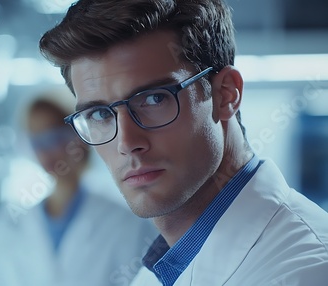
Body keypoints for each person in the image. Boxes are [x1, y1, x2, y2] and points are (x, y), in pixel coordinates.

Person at [38, 0, 328, 285]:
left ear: (226, 95)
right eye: (100, 113)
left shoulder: (305, 270)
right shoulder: (157, 271)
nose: (127, 143)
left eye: (154, 99)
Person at [0, 88, 158, 286]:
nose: (45, 152)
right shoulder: (6, 224)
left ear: (80, 136)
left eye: (54, 138)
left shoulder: (125, 222)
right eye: (37, 142)